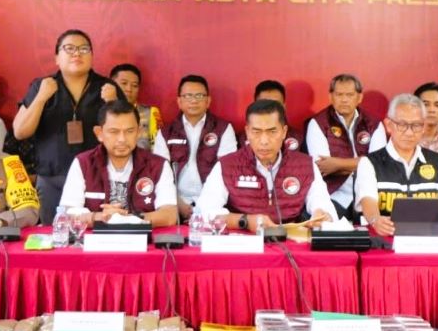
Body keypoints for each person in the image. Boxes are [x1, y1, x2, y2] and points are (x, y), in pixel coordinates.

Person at [13, 29, 123, 224]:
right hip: (52, 178)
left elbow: (125, 135)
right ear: (57, 57)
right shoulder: (42, 86)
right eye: (69, 48)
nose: (77, 54)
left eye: (84, 49)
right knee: (53, 234)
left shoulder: (107, 88)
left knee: (96, 233)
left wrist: (113, 102)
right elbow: (20, 132)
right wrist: (41, 98)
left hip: (97, 178)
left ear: (92, 56)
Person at [197, 99, 336, 231]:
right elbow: (204, 212)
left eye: (272, 131)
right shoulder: (227, 165)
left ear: (284, 132)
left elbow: (323, 205)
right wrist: (245, 221)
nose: (264, 141)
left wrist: (322, 215)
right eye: (256, 132)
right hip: (244, 241)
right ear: (247, 132)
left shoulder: (305, 165)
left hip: (290, 241)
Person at [354, 94, 438, 236]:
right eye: (402, 125)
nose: (409, 132)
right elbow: (368, 202)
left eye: (416, 125)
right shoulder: (370, 163)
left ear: (423, 127)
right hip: (386, 238)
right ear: (388, 125)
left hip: (429, 238)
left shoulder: (437, 162)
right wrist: (376, 220)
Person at [59, 100, 177, 227]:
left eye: (129, 131)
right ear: (99, 133)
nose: (122, 139)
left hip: (143, 237)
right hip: (93, 238)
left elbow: (169, 215)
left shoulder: (158, 165)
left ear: (138, 132)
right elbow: (67, 213)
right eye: (114, 132)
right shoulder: (83, 163)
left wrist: (128, 218)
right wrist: (100, 217)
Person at [153, 75, 237, 221]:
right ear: (179, 101)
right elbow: (159, 174)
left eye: (199, 95)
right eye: (188, 96)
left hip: (213, 204)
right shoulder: (165, 133)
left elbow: (227, 170)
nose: (193, 100)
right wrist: (178, 204)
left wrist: (203, 207)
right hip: (175, 204)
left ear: (208, 101)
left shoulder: (223, 129)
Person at [306, 74, 386, 219]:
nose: (344, 99)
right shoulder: (318, 123)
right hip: (333, 195)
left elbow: (379, 164)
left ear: (359, 97)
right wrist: (364, 164)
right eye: (339, 94)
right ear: (330, 97)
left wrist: (337, 164)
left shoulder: (374, 124)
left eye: (349, 95)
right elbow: (322, 167)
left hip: (369, 197)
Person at [237, 80, 305, 153]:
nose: (269, 110)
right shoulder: (241, 139)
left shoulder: (299, 138)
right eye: (264, 104)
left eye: (276, 105)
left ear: (284, 106)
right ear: (255, 106)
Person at [110, 63, 164, 150]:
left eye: (134, 85)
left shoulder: (150, 113)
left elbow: (158, 148)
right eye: (124, 83)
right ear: (111, 85)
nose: (129, 89)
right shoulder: (99, 112)